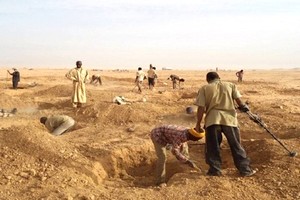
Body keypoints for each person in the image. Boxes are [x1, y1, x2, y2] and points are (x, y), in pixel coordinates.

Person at [194, 72, 256, 177]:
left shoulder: (204, 88)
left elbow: (201, 108)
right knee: (236, 145)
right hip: (229, 120)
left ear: (207, 80)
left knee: (213, 146)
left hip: (212, 121)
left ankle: (215, 171)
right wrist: (244, 107)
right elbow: (239, 102)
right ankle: (245, 170)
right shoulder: (231, 85)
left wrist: (198, 124)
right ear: (219, 78)